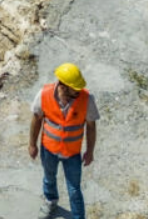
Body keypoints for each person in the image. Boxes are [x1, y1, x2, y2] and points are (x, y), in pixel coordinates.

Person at [29, 62, 98, 219]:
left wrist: (90, 151)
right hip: (49, 149)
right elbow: (36, 119)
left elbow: (91, 127)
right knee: (49, 178)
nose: (78, 91)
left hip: (72, 153)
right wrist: (32, 144)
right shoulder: (44, 94)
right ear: (63, 86)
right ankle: (50, 201)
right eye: (75, 88)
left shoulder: (87, 100)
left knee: (74, 189)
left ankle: (78, 217)